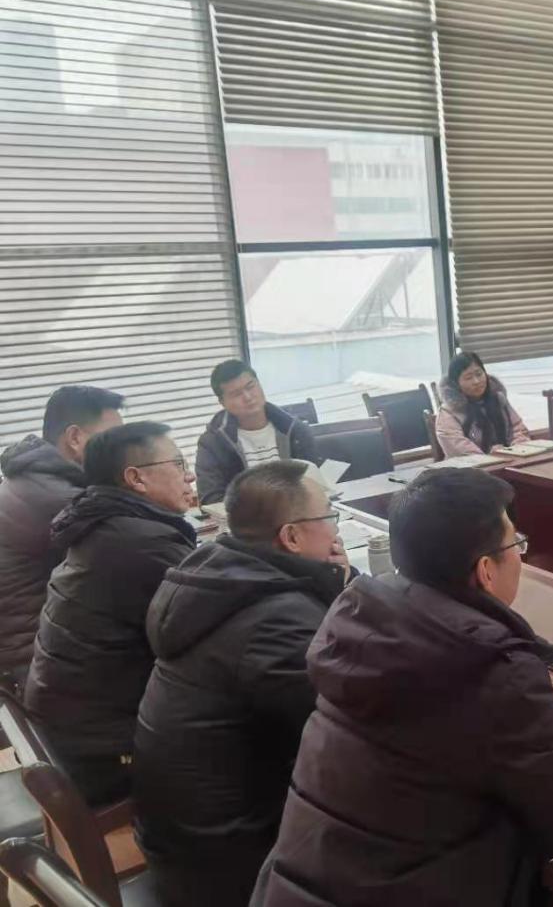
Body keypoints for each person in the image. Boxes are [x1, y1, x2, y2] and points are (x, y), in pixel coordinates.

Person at [253, 468, 553, 907]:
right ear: (485, 570)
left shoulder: (359, 623)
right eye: (515, 544)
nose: (521, 556)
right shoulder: (489, 671)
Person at [133, 461, 353, 907]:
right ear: (291, 537)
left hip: (186, 837)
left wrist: (332, 584)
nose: (336, 529)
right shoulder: (275, 622)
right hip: (233, 864)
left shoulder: (219, 575)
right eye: (329, 515)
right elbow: (351, 729)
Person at [24, 422, 197, 805]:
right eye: (179, 464)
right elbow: (215, 626)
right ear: (136, 478)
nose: (189, 476)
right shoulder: (141, 543)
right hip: (105, 754)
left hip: (71, 732)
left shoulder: (105, 524)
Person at [0, 386, 124, 691]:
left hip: (34, 650)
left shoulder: (32, 478)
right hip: (44, 662)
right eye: (115, 440)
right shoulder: (61, 499)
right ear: (75, 438)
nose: (124, 451)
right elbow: (130, 554)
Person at [195, 360, 321, 505]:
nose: (248, 397)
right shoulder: (213, 443)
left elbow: (315, 484)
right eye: (236, 394)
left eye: (251, 387)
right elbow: (211, 500)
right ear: (222, 402)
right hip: (246, 518)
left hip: (298, 511)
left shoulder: (296, 430)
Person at [436, 351, 532, 456]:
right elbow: (457, 447)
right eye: (468, 378)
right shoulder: (448, 412)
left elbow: (518, 428)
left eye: (479, 374)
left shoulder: (498, 399)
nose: (476, 381)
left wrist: (516, 449)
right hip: (471, 465)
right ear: (456, 383)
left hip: (510, 459)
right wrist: (489, 456)